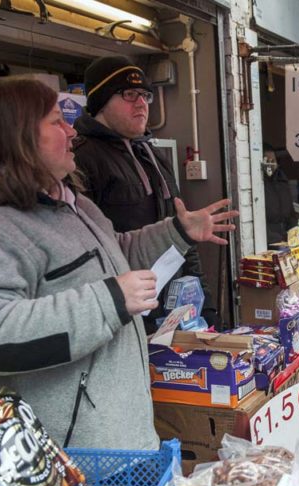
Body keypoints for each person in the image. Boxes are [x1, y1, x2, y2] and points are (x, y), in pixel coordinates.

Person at [0, 76, 238, 450]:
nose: (72, 132)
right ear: (17, 135)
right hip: (65, 463)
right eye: (56, 121)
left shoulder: (74, 204)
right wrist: (109, 301)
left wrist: (178, 231)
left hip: (121, 443)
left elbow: (115, 255)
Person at [73, 56, 218, 330]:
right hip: (125, 316)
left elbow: (182, 233)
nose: (141, 103)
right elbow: (86, 256)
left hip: (177, 311)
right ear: (101, 100)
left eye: (145, 95)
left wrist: (206, 308)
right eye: (129, 94)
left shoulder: (152, 155)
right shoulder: (81, 159)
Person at [262, 144, 298, 244]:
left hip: (287, 241)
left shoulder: (282, 181)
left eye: (273, 161)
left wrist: (294, 234)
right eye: (267, 161)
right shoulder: (258, 186)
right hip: (270, 242)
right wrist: (278, 239)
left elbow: (291, 213)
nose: (270, 165)